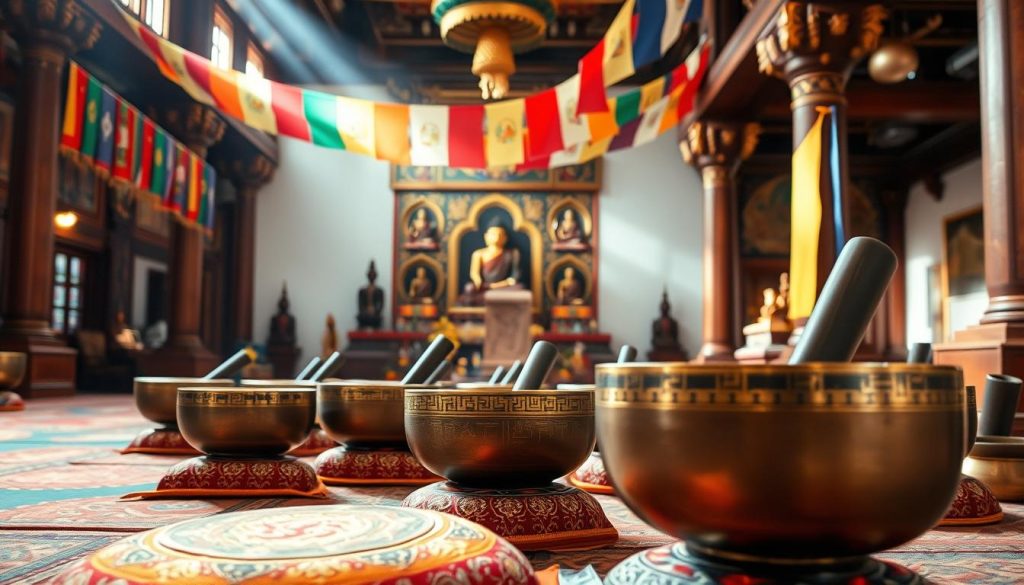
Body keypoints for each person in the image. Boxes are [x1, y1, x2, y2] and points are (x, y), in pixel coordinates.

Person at [458, 221, 521, 305]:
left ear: (505, 238)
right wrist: (478, 281)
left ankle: (490, 297)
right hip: (484, 286)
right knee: (469, 288)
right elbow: (474, 273)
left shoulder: (512, 253)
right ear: (486, 237)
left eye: (500, 234)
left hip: (502, 287)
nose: (497, 237)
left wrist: (495, 286)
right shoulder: (479, 254)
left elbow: (514, 278)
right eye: (493, 234)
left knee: (519, 288)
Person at [357, 261, 385, 329]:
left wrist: (375, 310)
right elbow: (360, 305)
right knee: (361, 317)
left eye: (373, 275)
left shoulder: (379, 291)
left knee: (378, 318)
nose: (371, 276)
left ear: (376, 276)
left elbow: (381, 305)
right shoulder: (362, 291)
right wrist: (366, 310)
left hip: (375, 315)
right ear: (367, 276)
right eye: (370, 275)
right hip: (365, 315)